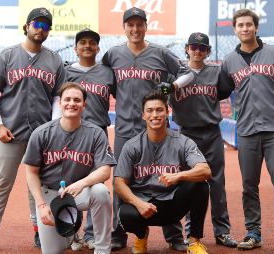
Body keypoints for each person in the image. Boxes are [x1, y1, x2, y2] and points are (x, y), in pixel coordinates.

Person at [102, 6, 192, 251]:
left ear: (145, 26)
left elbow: (187, 73)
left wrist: (171, 86)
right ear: (124, 28)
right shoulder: (112, 54)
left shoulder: (160, 53)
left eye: (139, 24)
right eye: (130, 25)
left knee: (165, 175)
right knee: (121, 181)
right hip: (124, 128)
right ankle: (119, 235)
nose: (135, 29)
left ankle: (173, 236)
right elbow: (108, 83)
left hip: (157, 128)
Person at [0, 7, 65, 253]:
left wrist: (52, 129)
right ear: (27, 26)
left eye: (46, 26)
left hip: (40, 136)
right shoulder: (7, 56)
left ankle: (39, 231)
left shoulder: (54, 60)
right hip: (10, 133)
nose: (41, 29)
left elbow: (57, 99)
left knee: (37, 186)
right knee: (1, 183)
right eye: (37, 24)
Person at [218, 9, 274, 252]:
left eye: (249, 24)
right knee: (249, 184)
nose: (245, 28)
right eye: (240, 25)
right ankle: (253, 232)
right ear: (235, 29)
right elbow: (221, 91)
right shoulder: (229, 60)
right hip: (248, 130)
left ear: (256, 27)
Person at [114, 91, 211, 254]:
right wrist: (138, 203)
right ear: (143, 115)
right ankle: (141, 236)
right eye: (150, 111)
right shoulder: (132, 146)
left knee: (200, 186)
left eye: (159, 110)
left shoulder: (182, 142)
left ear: (167, 112)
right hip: (144, 207)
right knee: (125, 213)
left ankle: (194, 242)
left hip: (172, 204)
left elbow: (205, 170)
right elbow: (118, 183)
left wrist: (179, 175)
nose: (155, 115)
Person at [23, 82, 116, 254]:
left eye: (77, 100)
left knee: (101, 192)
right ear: (59, 102)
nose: (71, 103)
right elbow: (31, 172)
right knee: (54, 251)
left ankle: (102, 249)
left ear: (84, 104)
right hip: (50, 196)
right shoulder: (41, 133)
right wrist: (42, 206)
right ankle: (70, 232)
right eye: (67, 99)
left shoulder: (96, 133)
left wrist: (81, 184)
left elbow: (105, 171)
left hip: (80, 193)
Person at [168, 32, 237, 248]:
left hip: (211, 132)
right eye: (193, 47)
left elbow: (227, 90)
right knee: (188, 183)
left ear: (208, 51)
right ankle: (190, 234)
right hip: (185, 134)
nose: (197, 51)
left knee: (217, 183)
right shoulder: (175, 73)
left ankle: (222, 231)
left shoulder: (216, 72)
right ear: (187, 49)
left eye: (202, 48)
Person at [64, 28, 115, 250]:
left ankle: (92, 233)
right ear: (75, 48)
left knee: (97, 184)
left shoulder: (107, 72)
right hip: (71, 134)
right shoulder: (66, 72)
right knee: (69, 181)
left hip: (98, 133)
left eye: (92, 43)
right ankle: (72, 231)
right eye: (82, 42)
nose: (87, 46)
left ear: (98, 47)